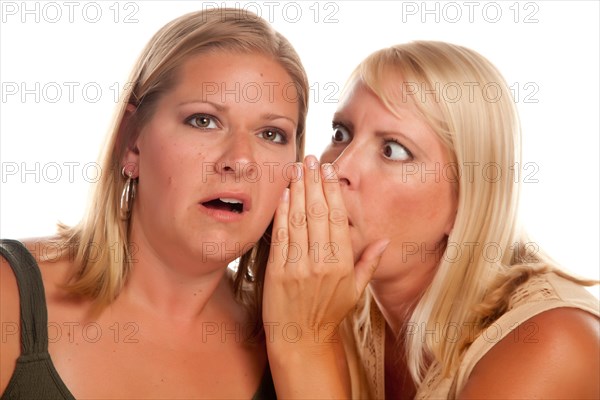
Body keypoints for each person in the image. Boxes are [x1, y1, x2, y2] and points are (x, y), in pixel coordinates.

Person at [0, 8, 308, 399]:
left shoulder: (292, 341)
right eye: (204, 121)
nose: (241, 160)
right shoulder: (9, 297)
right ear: (132, 141)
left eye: (271, 133)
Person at [263, 41, 599, 399]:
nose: (338, 167)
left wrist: (305, 344)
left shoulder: (551, 343)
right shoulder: (326, 295)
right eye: (341, 133)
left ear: (468, 202)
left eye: (393, 150)